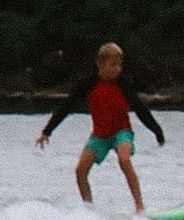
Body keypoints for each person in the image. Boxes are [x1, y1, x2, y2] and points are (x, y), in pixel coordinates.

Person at [39, 40, 164, 210]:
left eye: (120, 65)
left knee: (124, 159)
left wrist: (157, 131)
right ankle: (88, 209)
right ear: (100, 63)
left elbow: (140, 109)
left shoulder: (123, 84)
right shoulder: (88, 84)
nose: (117, 69)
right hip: (100, 136)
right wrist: (48, 131)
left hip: (122, 132)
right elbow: (66, 106)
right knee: (80, 171)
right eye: (113, 65)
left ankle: (140, 207)